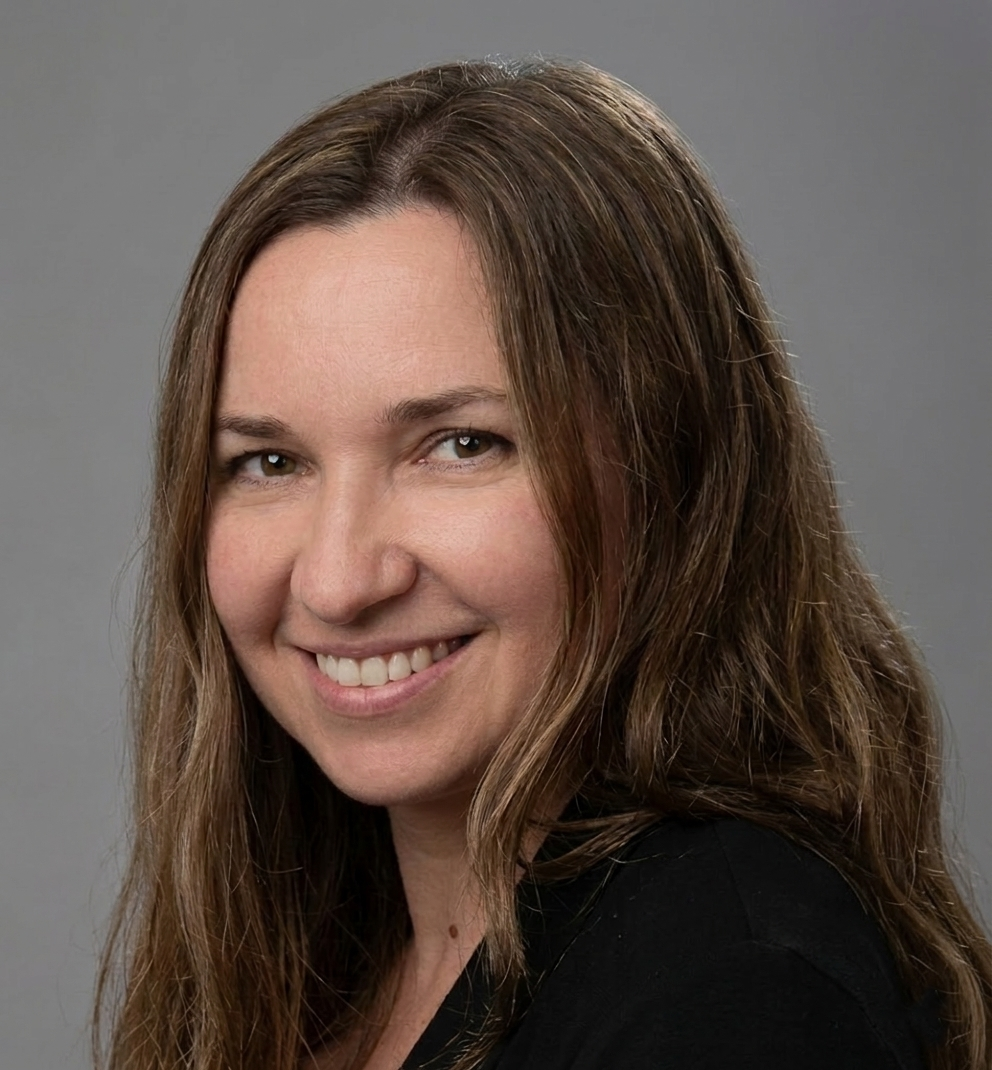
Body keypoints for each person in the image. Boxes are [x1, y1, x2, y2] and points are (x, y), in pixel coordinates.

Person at [94, 57, 991, 1070]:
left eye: (459, 444)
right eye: (268, 460)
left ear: (669, 466)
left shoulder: (732, 996)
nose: (338, 580)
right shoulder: (332, 968)